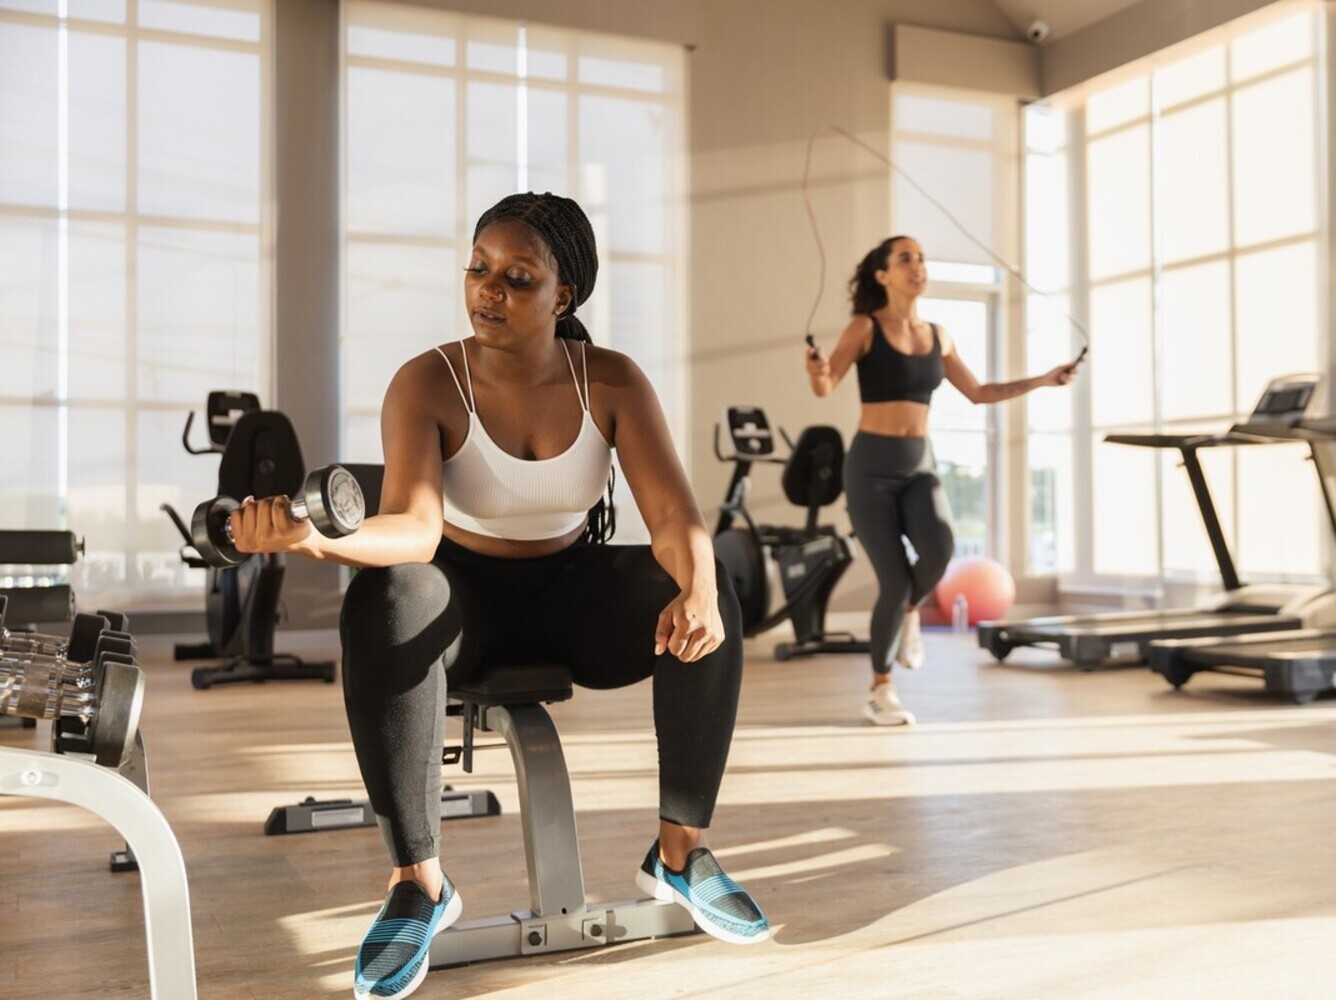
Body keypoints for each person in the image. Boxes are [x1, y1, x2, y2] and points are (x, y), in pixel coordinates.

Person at [228, 193, 770, 1000]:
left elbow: (673, 516)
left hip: (571, 594)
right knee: (389, 594)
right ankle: (419, 883)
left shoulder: (612, 380)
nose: (488, 290)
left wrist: (694, 586)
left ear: (565, 295)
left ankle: (681, 852)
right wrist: (313, 539)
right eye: (478, 270)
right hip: (463, 601)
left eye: (517, 277)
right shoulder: (428, 380)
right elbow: (413, 530)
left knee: (705, 578)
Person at [805, 235, 1080, 726]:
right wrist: (817, 370)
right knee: (892, 578)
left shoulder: (939, 334)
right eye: (905, 259)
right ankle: (881, 688)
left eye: (922, 258)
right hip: (869, 468)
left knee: (941, 549)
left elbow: (979, 392)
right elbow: (827, 386)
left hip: (919, 465)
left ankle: (909, 610)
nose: (918, 266)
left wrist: (1042, 379)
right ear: (882, 275)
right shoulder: (864, 327)